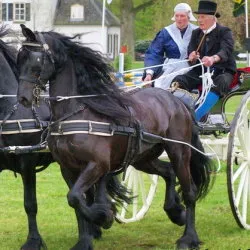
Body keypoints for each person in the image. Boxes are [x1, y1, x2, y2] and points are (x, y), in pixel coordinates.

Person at [172, 0, 237, 121]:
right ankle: (178, 114)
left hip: (223, 71)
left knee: (220, 82)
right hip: (200, 71)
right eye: (198, 17)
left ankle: (195, 118)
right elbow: (191, 51)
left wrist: (213, 59)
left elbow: (226, 50)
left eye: (203, 17)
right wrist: (191, 56)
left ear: (212, 18)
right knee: (178, 80)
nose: (199, 20)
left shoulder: (224, 32)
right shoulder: (196, 33)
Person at [143, 3, 198, 89]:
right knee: (159, 86)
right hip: (170, 68)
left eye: (182, 16)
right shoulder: (166, 32)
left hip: (192, 68)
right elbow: (154, 53)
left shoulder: (197, 31)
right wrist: (149, 73)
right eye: (177, 16)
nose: (179, 19)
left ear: (189, 17)